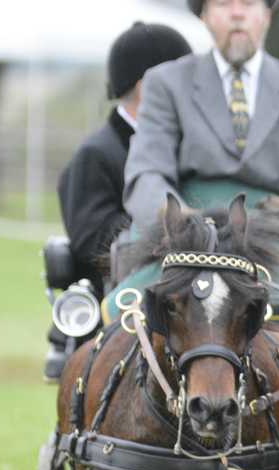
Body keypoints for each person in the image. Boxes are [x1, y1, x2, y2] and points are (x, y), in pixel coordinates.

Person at [123, 0, 279, 232]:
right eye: (223, 3)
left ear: (266, 16)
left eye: (248, 3)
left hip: (277, 236)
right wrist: (176, 217)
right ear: (204, 16)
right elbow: (146, 172)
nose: (237, 13)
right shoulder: (165, 84)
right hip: (186, 235)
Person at [57, 22, 192, 295]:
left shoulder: (187, 145)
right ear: (149, 88)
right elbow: (94, 242)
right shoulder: (94, 155)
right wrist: (176, 226)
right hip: (127, 298)